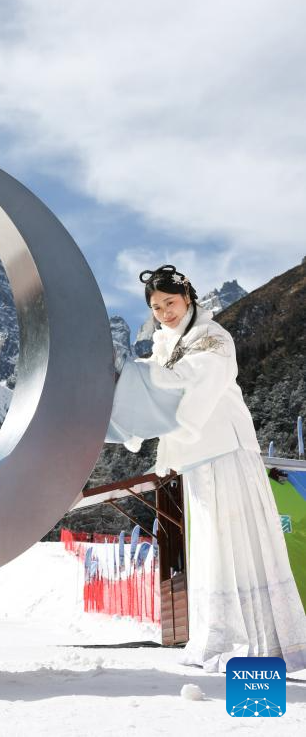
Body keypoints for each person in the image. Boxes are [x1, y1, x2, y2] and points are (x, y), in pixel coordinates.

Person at [107, 264, 306, 673]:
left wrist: (137, 371)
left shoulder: (212, 338)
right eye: (156, 307)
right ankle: (219, 636)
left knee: (239, 539)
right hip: (198, 456)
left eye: (170, 303)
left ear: (188, 299)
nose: (165, 313)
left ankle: (262, 641)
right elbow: (153, 387)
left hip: (227, 449)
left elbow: (188, 380)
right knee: (213, 544)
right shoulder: (166, 344)